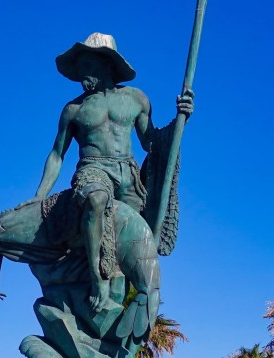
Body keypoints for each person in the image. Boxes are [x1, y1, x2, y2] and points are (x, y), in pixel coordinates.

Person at [35, 33, 193, 313]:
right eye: (79, 66)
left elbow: (151, 143)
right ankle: (98, 281)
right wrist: (39, 196)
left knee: (137, 238)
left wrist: (180, 119)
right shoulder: (73, 109)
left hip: (128, 174)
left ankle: (119, 302)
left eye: (87, 64)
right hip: (92, 169)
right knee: (96, 200)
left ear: (106, 63)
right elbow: (57, 154)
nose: (82, 73)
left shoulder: (136, 99)